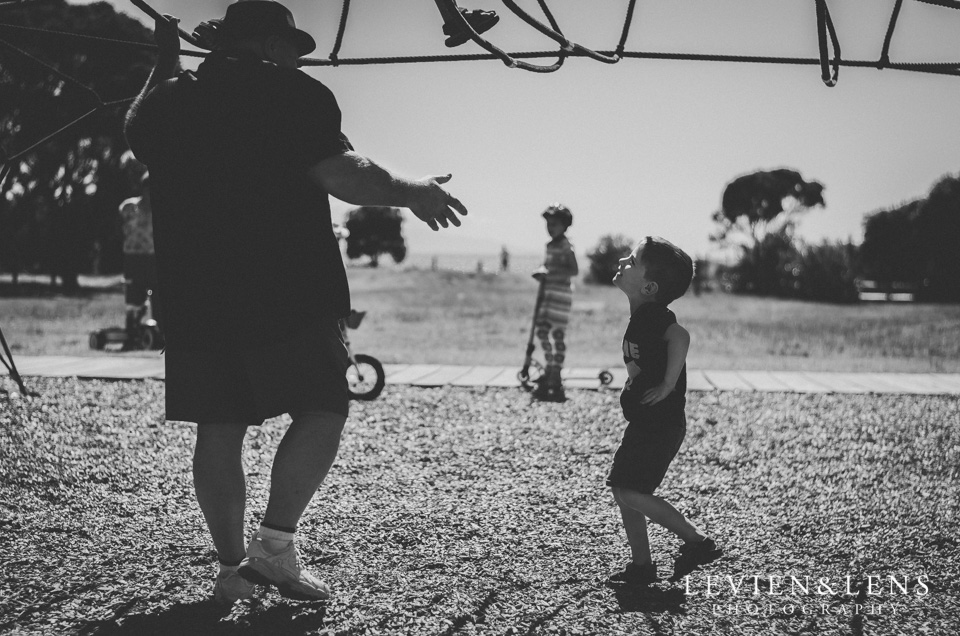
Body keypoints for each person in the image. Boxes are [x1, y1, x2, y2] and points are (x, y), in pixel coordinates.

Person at [125, 1, 468, 605]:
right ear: (272, 46)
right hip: (285, 287)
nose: (298, 56)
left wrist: (165, 60)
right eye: (292, 46)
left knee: (219, 425)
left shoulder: (172, 98)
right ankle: (276, 548)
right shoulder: (296, 93)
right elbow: (345, 174)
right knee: (323, 406)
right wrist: (409, 188)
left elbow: (138, 135)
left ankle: (233, 568)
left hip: (193, 292)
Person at [606, 236, 720, 585]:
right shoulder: (643, 315)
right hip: (648, 421)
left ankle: (698, 542)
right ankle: (642, 565)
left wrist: (669, 385)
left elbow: (681, 337)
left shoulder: (654, 316)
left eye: (632, 260)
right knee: (623, 488)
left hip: (661, 423)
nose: (623, 261)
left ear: (649, 286)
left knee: (631, 492)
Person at [531, 204, 578, 402]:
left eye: (554, 224)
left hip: (561, 295)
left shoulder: (566, 246)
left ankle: (555, 373)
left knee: (557, 334)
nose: (550, 228)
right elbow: (547, 264)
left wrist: (550, 273)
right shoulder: (550, 245)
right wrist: (542, 270)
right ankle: (550, 367)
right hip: (548, 293)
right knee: (542, 330)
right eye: (548, 224)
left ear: (564, 226)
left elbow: (573, 270)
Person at [118, 172, 160, 345]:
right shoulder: (129, 207)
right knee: (134, 296)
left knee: (156, 294)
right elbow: (119, 228)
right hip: (133, 259)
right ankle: (131, 333)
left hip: (152, 258)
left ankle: (158, 332)